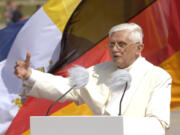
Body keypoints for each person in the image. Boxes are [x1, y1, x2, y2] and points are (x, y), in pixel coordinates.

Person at [14, 23, 172, 134]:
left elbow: (157, 124)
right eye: (112, 44)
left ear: (139, 48)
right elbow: (65, 86)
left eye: (121, 44)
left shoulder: (157, 77)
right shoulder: (98, 71)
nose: (115, 49)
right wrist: (31, 75)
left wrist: (122, 128)